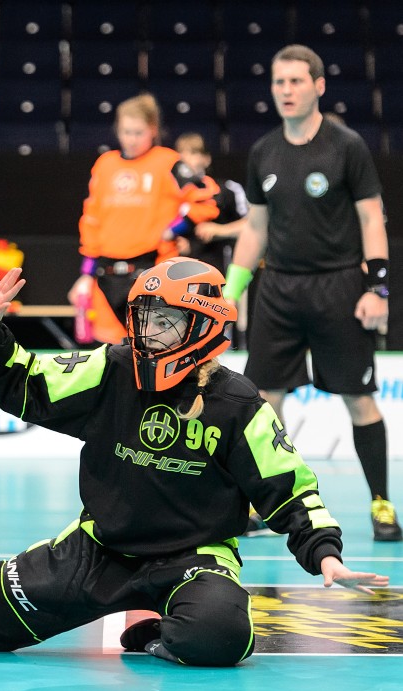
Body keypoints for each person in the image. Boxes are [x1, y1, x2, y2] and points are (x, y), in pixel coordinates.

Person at [0, 258, 390, 666]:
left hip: (195, 558)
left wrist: (326, 556)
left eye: (166, 321)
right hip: (100, 549)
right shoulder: (111, 368)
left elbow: (289, 487)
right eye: (143, 317)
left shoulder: (239, 404)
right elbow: (29, 385)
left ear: (202, 326)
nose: (148, 332)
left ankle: (159, 635)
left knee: (221, 636)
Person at [222, 44, 400, 541]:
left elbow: (371, 217)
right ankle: (264, 506)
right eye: (279, 82)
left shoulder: (347, 147)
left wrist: (378, 286)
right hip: (278, 288)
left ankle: (382, 504)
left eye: (297, 81)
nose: (287, 90)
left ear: (318, 86)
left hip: (339, 287)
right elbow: (255, 228)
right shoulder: (263, 152)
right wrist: (233, 291)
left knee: (359, 399)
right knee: (262, 402)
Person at [70, 95, 219, 345]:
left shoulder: (168, 162)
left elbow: (206, 199)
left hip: (153, 272)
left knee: (157, 347)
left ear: (153, 130)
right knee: (111, 354)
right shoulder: (105, 165)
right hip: (106, 274)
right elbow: (91, 219)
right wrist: (86, 274)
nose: (132, 139)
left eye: (139, 132)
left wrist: (175, 229)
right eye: (126, 132)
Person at [174, 132, 249, 273]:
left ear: (207, 159)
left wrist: (219, 230)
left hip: (220, 271)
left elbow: (252, 225)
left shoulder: (228, 189)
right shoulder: (171, 194)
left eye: (193, 152)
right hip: (183, 273)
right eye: (181, 154)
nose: (186, 159)